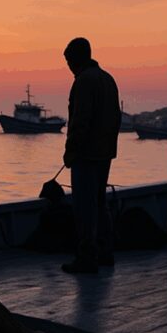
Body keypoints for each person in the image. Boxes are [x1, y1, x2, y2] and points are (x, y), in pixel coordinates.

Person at [60, 38, 121, 274]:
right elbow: (115, 117)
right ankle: (106, 251)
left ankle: (87, 257)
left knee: (85, 207)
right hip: (105, 153)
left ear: (76, 58)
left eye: (68, 61)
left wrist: (71, 151)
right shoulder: (107, 79)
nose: (68, 66)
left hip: (86, 154)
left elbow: (80, 122)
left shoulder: (84, 81)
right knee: (99, 202)